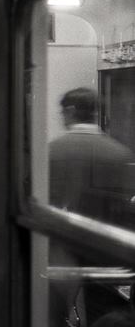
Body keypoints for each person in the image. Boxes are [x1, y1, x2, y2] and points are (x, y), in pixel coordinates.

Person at [48, 87, 135, 326]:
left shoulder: (53, 151)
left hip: (61, 250)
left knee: (54, 314)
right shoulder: (119, 153)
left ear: (71, 110)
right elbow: (125, 209)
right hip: (105, 252)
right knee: (102, 313)